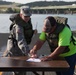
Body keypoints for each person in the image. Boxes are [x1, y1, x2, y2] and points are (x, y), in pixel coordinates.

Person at [3, 6, 37, 75]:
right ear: (21, 15)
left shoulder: (26, 22)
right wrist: (29, 53)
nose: (27, 18)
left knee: (23, 68)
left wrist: (32, 32)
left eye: (28, 16)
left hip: (21, 48)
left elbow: (25, 33)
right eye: (25, 16)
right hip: (15, 49)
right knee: (18, 70)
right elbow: (20, 41)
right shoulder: (18, 26)